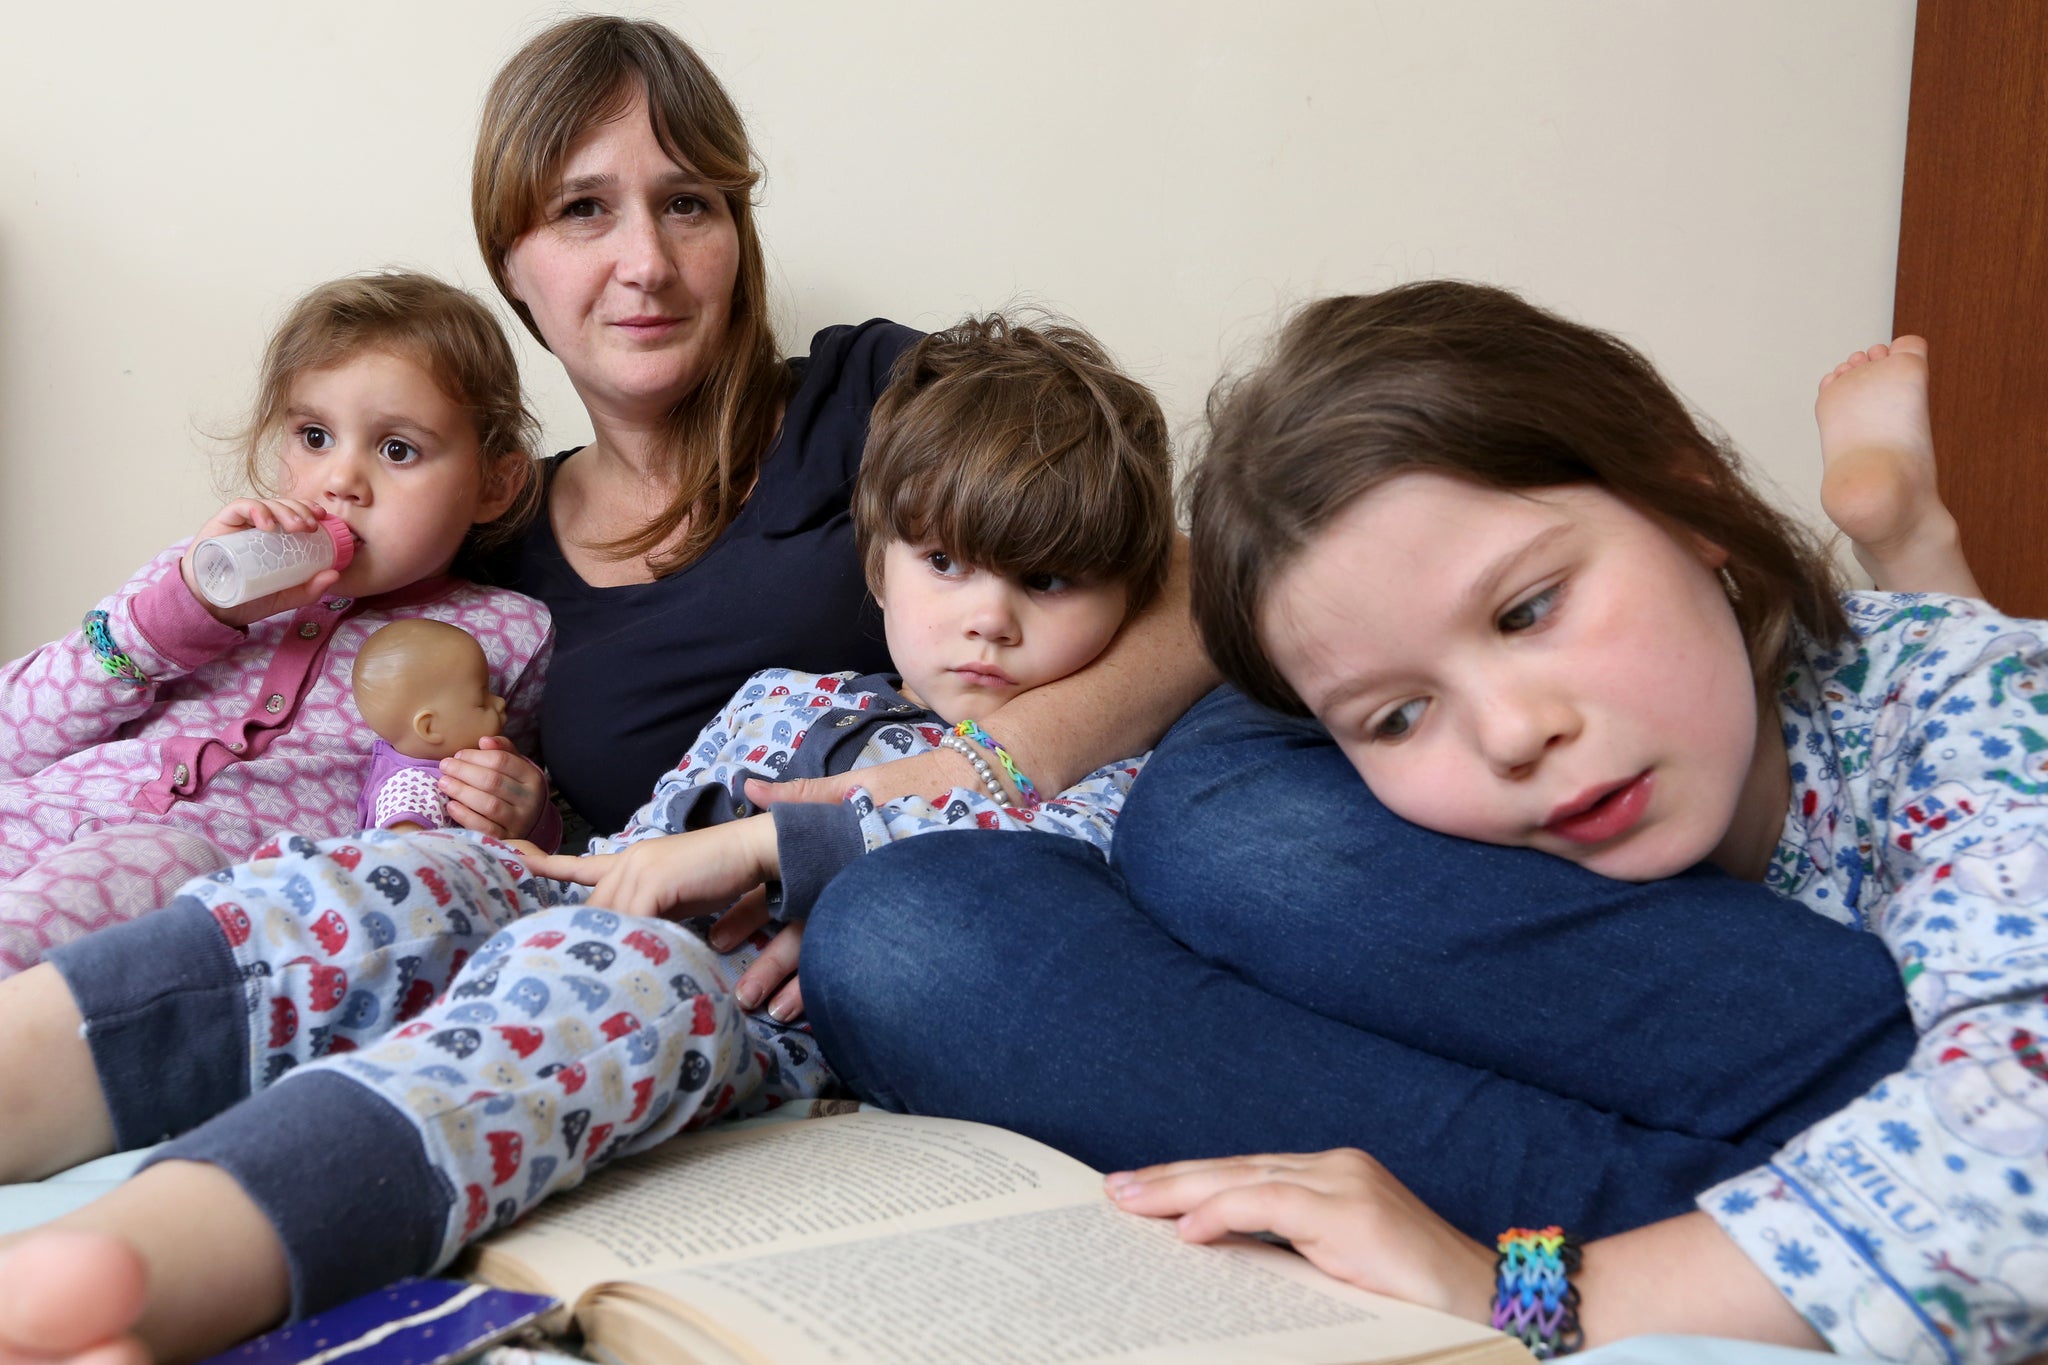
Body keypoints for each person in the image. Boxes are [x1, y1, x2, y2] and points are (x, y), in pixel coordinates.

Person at [0, 311, 1177, 1364]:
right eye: (944, 563)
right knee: (407, 878)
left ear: (1133, 597)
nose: (986, 616)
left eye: (1053, 579)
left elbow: (1025, 876)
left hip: (731, 1024)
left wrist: (785, 862)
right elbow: (627, 842)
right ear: (877, 564)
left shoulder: (1105, 771)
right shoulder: (783, 698)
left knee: (620, 975)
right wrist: (527, 847)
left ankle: (152, 1266)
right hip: (582, 903)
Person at [1089, 284, 2040, 1363]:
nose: (1508, 735)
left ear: (1691, 501)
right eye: (1396, 715)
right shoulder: (1426, 818)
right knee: (924, 921)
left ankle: (1908, 536)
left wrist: (1511, 1289)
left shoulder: (1980, 707)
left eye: (1527, 610)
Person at [454, 15, 1212, 847]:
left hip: (984, 868)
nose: (648, 262)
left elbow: (1201, 583)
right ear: (509, 265)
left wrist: (948, 784)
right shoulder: (487, 537)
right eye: (584, 208)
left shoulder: (877, 394)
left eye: (686, 204)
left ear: (736, 234)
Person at [0, 272, 557, 974]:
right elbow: (12, 732)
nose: (341, 480)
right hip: (32, 816)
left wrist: (525, 810)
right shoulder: (209, 570)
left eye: (396, 449)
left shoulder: (504, 630)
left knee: (148, 863)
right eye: (315, 435)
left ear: (495, 484)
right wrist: (177, 613)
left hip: (198, 888)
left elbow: (479, 832)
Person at [351, 620, 513, 835]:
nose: (500, 702)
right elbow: (403, 853)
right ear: (430, 728)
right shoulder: (412, 787)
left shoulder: (455, 768)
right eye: (481, 701)